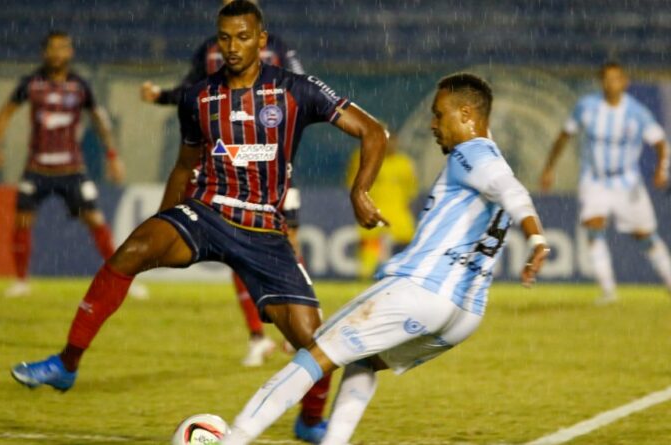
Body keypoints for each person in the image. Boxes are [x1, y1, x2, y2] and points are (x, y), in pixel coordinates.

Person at [11, 2, 388, 443]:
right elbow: (184, 165)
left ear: (262, 41)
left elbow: (373, 131)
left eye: (243, 37)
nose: (232, 47)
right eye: (224, 38)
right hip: (206, 211)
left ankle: (308, 420)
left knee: (317, 344)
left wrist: (359, 190)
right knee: (130, 252)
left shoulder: (296, 89)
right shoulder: (198, 97)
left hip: (265, 229)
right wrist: (165, 218)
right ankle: (66, 364)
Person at [218, 73, 549, 445]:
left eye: (439, 115)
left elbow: (511, 191)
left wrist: (535, 236)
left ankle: (232, 439)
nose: (432, 124)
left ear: (468, 115)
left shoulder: (471, 153)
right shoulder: (495, 158)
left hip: (421, 290)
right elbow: (510, 190)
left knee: (315, 354)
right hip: (465, 314)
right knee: (364, 359)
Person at [141, 0, 304, 368]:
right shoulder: (210, 49)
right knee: (236, 253)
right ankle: (257, 337)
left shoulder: (277, 47)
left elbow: (298, 93)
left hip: (270, 168)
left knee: (288, 244)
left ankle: (296, 329)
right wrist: (161, 97)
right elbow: (190, 90)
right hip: (226, 169)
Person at [0, 31, 129, 299]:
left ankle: (119, 277)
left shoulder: (79, 85)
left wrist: (112, 156)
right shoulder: (32, 83)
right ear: (45, 53)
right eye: (52, 48)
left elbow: (99, 119)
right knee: (22, 220)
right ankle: (21, 282)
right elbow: (5, 113)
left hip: (71, 169)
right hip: (37, 168)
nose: (57, 53)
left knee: (95, 219)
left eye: (63, 48)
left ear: (70, 52)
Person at [541, 61, 671, 305]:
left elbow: (661, 143)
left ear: (625, 82)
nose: (611, 83)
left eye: (616, 78)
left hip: (627, 181)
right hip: (595, 180)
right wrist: (549, 168)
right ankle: (608, 290)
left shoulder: (637, 113)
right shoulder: (586, 107)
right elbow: (564, 136)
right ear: (601, 82)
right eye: (606, 79)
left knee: (645, 236)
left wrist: (661, 170)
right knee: (593, 228)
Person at [345, 129, 418, 279]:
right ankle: (365, 278)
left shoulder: (404, 163)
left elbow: (411, 189)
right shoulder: (367, 159)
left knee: (408, 246)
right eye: (387, 141)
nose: (391, 145)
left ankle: (402, 276)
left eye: (393, 141)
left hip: (398, 212)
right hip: (373, 210)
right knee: (370, 250)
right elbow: (353, 183)